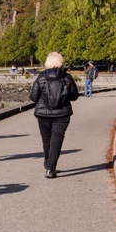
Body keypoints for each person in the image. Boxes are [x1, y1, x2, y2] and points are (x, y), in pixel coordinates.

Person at [29, 51, 79, 179]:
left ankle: (48, 162)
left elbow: (33, 97)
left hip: (43, 113)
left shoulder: (41, 77)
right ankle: (51, 168)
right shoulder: (67, 78)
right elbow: (74, 97)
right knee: (56, 140)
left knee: (46, 140)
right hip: (62, 113)